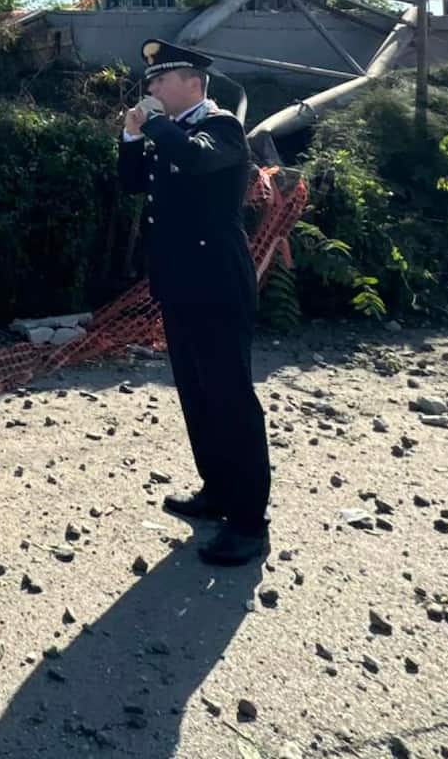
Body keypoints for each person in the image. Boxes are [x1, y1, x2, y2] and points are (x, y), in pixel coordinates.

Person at [118, 38, 271, 567]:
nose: (153, 89)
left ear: (192, 83)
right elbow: (132, 182)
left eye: (161, 80)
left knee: (230, 398)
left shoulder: (221, 128)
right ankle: (217, 490)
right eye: (152, 83)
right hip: (180, 283)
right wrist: (131, 137)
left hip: (219, 282)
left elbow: (196, 161)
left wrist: (155, 125)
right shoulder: (171, 133)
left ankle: (250, 522)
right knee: (196, 393)